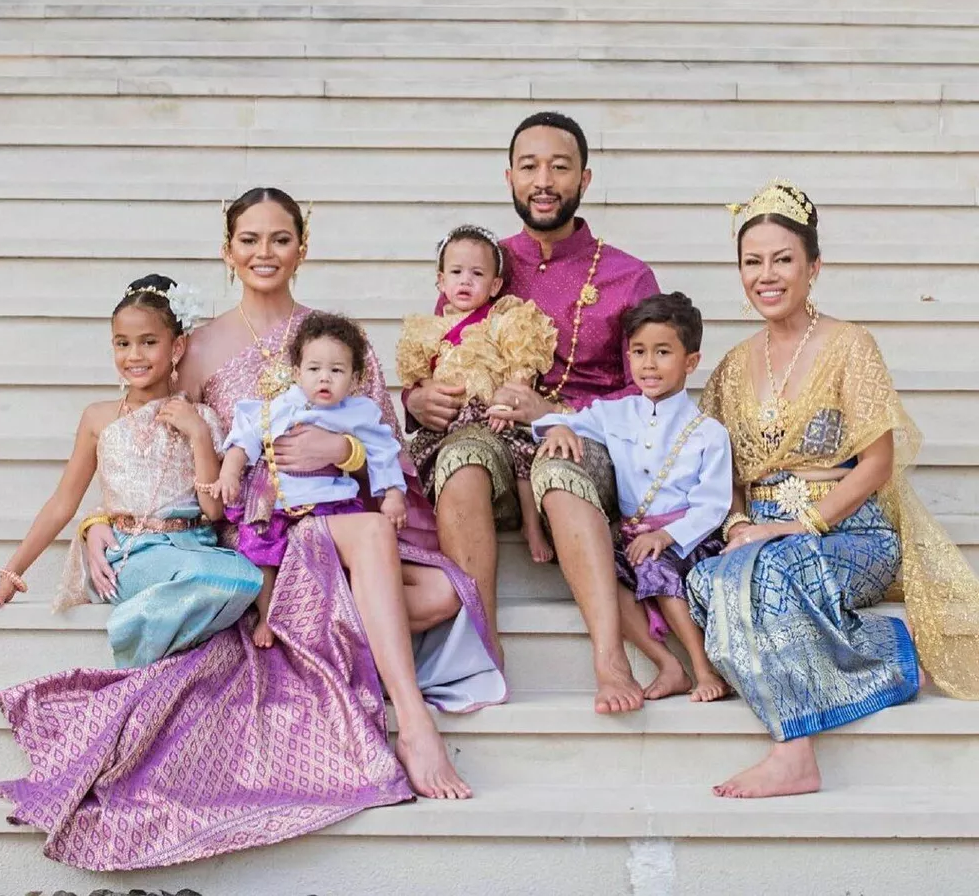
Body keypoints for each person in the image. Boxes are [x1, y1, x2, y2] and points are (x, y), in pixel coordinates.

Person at [0, 189, 505, 873]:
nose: (265, 253)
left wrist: (342, 451)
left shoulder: (337, 337)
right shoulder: (196, 349)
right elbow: (154, 455)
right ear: (227, 250)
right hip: (257, 531)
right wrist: (99, 520)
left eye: (280, 238)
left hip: (337, 511)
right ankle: (413, 723)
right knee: (382, 564)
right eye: (249, 239)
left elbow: (385, 447)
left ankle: (309, 631)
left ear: (302, 247)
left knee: (439, 593)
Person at [687, 178, 979, 799]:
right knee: (706, 583)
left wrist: (801, 524)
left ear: (813, 267)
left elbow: (877, 464)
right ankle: (892, 652)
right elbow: (723, 470)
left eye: (783, 259)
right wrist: (738, 523)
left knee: (771, 577)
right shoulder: (733, 365)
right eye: (752, 262)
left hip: (851, 531)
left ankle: (793, 753)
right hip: (763, 532)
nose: (767, 275)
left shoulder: (850, 346)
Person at [407, 111, 664, 711]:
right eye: (529, 167)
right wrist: (416, 400)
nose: (543, 181)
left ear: (585, 178)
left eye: (559, 167)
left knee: (557, 465)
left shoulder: (628, 276)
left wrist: (555, 411)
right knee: (461, 459)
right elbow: (438, 355)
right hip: (488, 431)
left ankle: (610, 660)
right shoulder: (479, 263)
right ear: (510, 177)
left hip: (582, 436)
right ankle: (480, 648)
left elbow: (651, 393)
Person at [0, 275, 261, 668]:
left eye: (149, 342)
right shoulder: (98, 418)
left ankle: (139, 625)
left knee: (247, 578)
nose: (134, 355)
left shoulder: (202, 418)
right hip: (130, 553)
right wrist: (11, 573)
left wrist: (197, 433)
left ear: (177, 347)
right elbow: (62, 502)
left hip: (192, 546)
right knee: (205, 578)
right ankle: (138, 638)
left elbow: (213, 511)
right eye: (122, 343)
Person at [534, 292, 731, 702]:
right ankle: (667, 664)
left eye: (663, 352)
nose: (649, 364)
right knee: (605, 576)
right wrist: (559, 429)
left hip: (685, 541)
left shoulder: (708, 432)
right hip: (633, 539)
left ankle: (703, 667)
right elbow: (558, 419)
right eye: (639, 352)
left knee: (655, 566)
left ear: (691, 362)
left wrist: (667, 536)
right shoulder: (616, 413)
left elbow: (713, 505)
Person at [220, 310, 409, 648]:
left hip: (329, 502)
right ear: (297, 373)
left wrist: (392, 494)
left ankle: (337, 612)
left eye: (336, 371)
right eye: (314, 369)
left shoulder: (359, 412)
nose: (325, 379)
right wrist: (230, 472)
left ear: (354, 378)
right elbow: (246, 436)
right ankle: (267, 615)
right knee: (262, 552)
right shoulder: (280, 406)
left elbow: (383, 451)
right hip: (278, 502)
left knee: (341, 558)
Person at [396, 223, 558, 564]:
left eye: (477, 274)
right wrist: (422, 392)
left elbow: (520, 367)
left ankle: (531, 525)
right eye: (456, 273)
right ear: (441, 281)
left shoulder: (502, 322)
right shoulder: (428, 330)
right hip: (448, 424)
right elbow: (419, 378)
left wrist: (507, 405)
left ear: (495, 285)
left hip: (491, 415)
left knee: (524, 455)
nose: (465, 281)